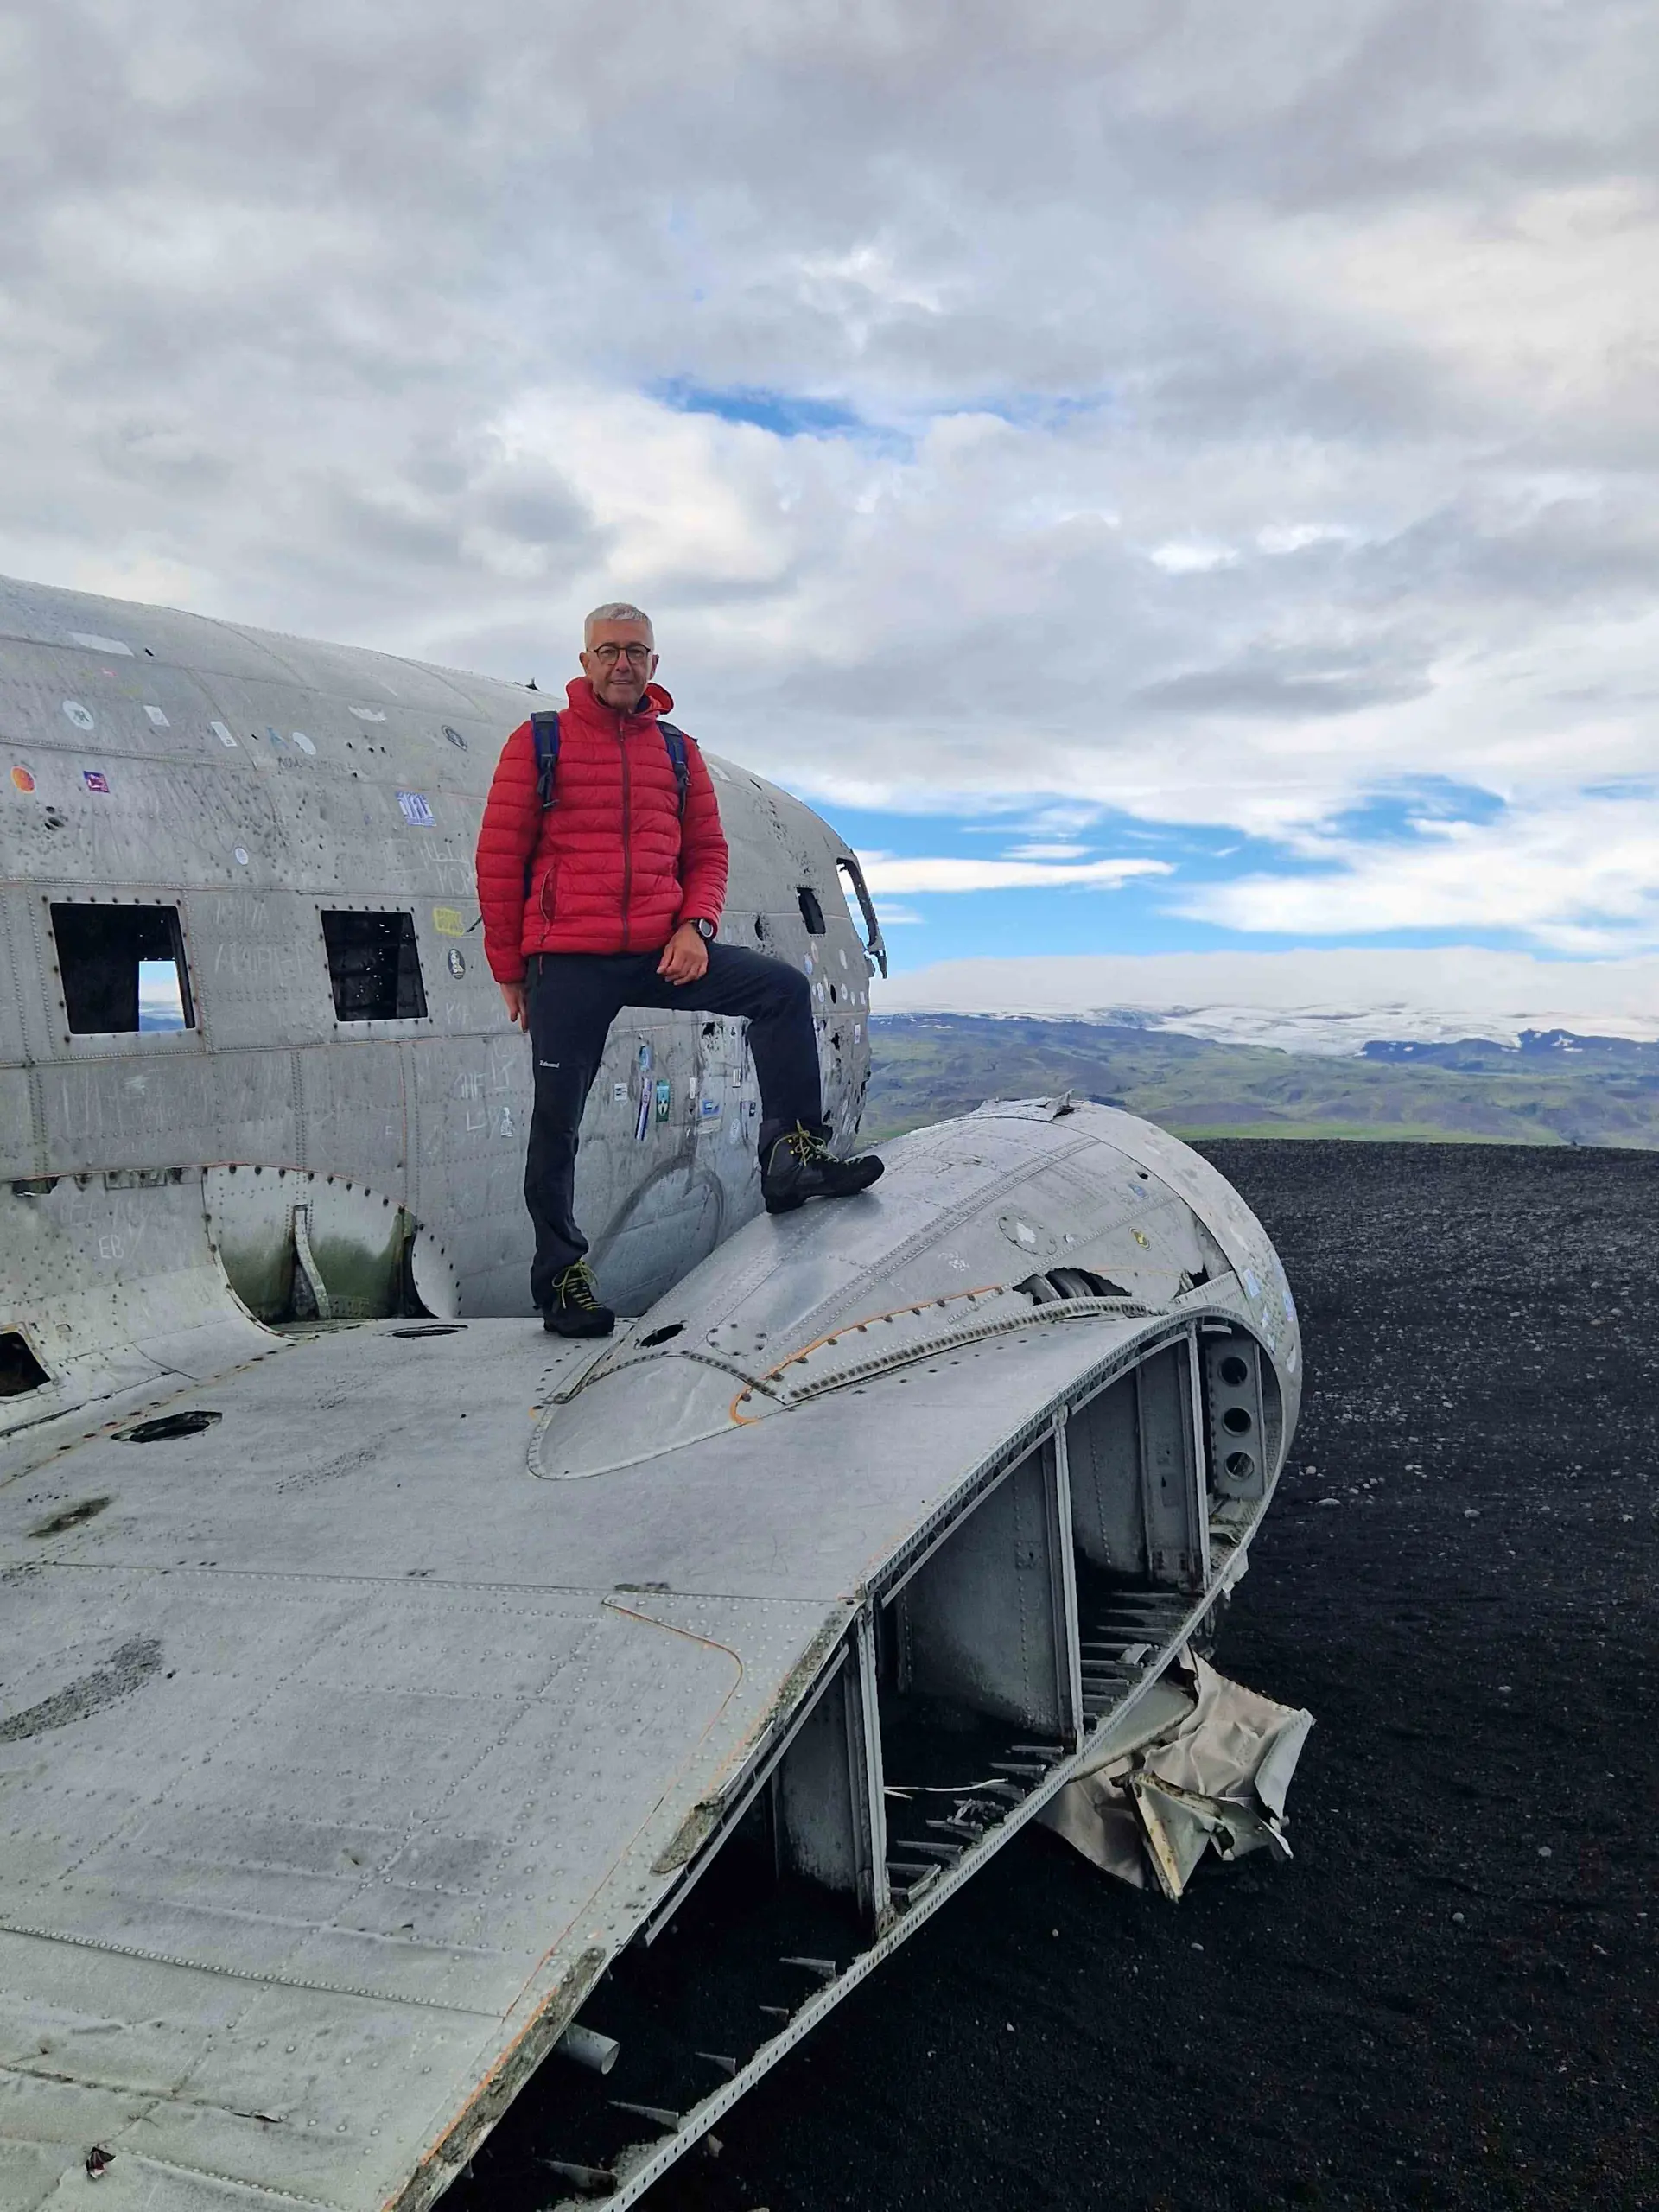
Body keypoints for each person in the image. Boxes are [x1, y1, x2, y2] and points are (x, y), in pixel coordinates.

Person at [474, 602, 884, 1337]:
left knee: (781, 991)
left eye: (635, 651)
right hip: (569, 958)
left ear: (654, 664)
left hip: (658, 950)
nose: (622, 663)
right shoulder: (540, 742)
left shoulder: (676, 751)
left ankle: (790, 1157)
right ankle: (561, 1276)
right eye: (608, 651)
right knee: (557, 1118)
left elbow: (707, 853)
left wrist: (696, 926)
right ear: (585, 662)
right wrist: (511, 968)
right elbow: (500, 859)